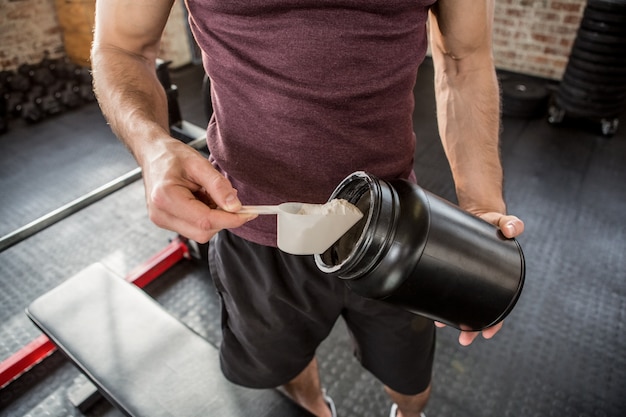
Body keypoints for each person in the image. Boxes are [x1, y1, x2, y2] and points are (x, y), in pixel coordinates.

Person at [91, 1, 525, 416]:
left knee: (410, 380)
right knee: (285, 368)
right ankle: (317, 410)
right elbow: (122, 46)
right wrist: (152, 148)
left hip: (395, 230)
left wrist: (482, 207)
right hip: (252, 223)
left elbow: (464, 60)